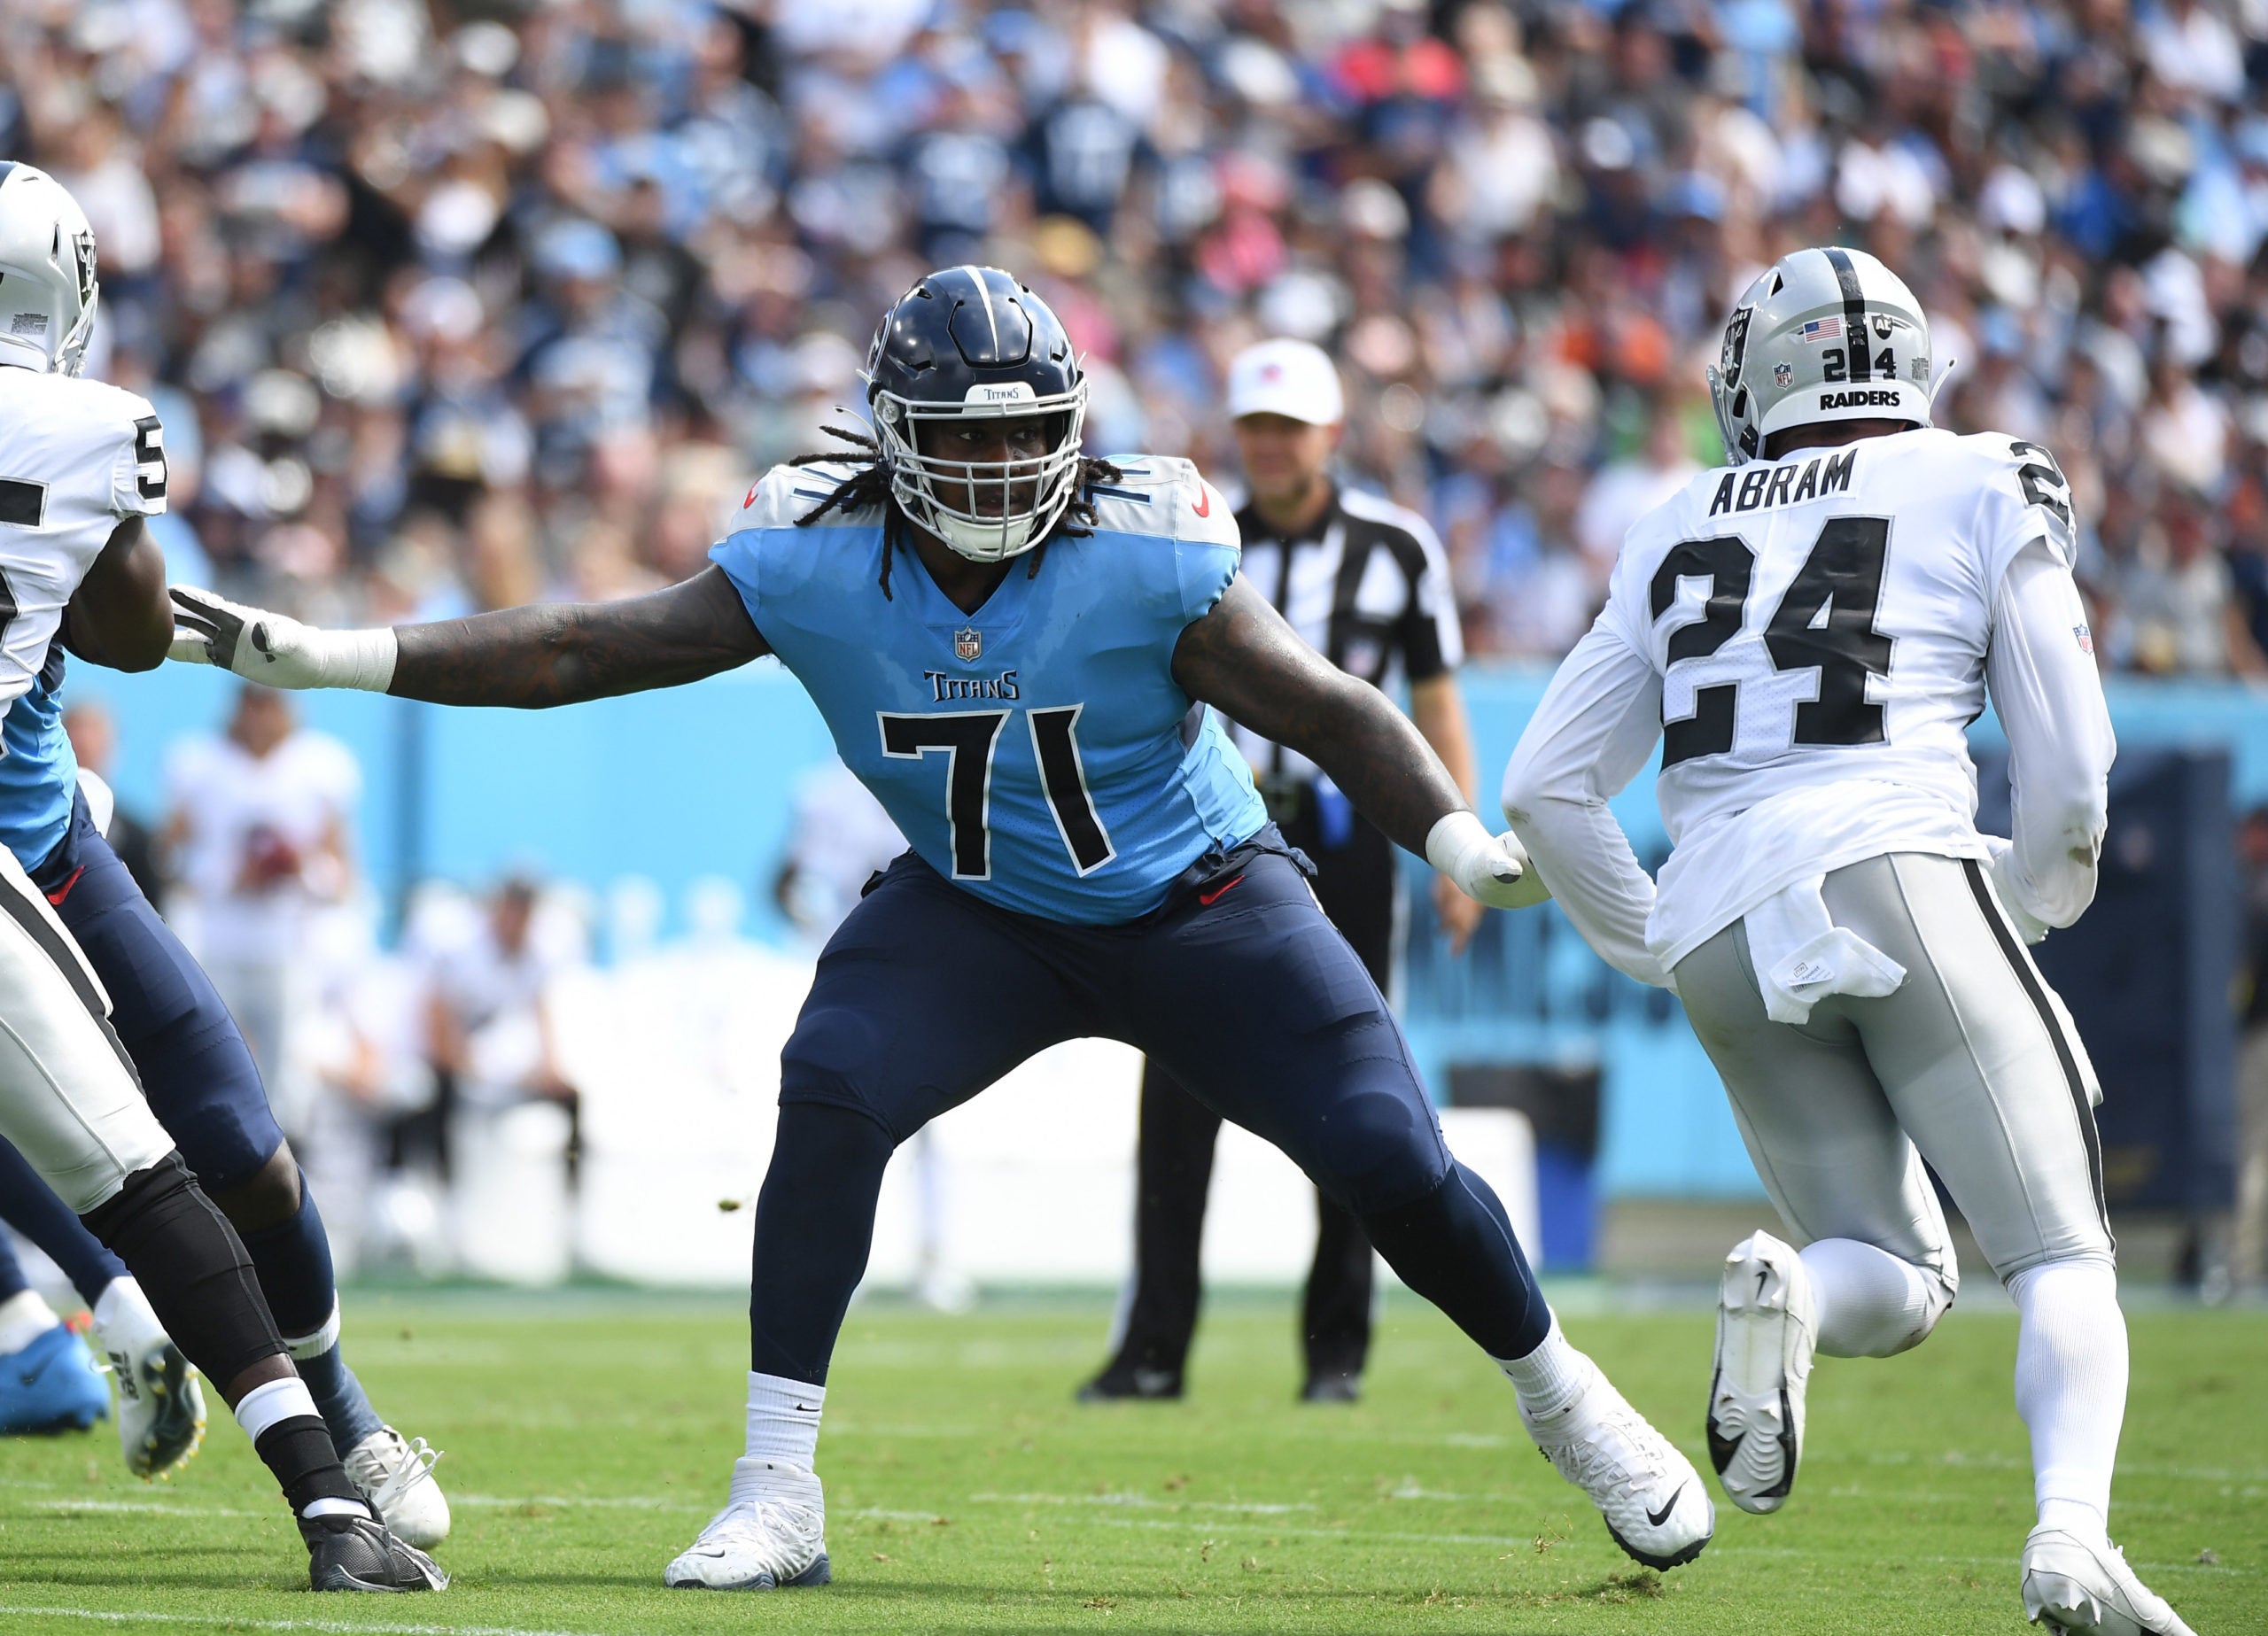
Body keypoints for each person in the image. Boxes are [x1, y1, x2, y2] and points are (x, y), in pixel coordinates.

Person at [168, 265, 1716, 1589]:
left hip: (1200, 898)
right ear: (891, 442)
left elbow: (1328, 703)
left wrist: (1450, 831)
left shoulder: (1148, 543)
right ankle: (779, 1487)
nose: (997, 474)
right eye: (963, 445)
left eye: (1029, 439)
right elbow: (586, 644)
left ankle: (1567, 1397)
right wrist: (350, 652)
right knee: (833, 1082)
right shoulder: (809, 552)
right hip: (980, 909)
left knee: (1388, 1154)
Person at [1500, 245, 2194, 1636]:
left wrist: (1650, 934)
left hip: (1719, 915)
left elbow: (1541, 788)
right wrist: (2040, 893)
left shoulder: (1675, 511)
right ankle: (2070, 1533)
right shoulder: (1984, 471)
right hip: (1896, 862)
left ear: (1757, 373)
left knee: (1900, 1269)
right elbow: (2071, 756)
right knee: (2061, 1253)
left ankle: (1795, 1288)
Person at [0, 159, 441, 1592]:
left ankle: (337, 1417)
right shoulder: (83, 428)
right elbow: (127, 631)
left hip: (49, 836)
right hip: (27, 852)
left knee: (232, 1150)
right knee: (156, 1163)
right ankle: (319, 1453)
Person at [1081, 337, 1481, 1406]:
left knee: (1356, 1091)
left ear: (1329, 436)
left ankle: (1335, 1353)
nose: (1265, 446)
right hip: (1208, 835)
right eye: (1253, 427)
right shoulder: (1196, 539)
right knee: (1173, 1096)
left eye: (1286, 429)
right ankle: (1152, 1347)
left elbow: (1432, 700)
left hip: (1348, 842)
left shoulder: (1398, 548)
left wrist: (1454, 837)